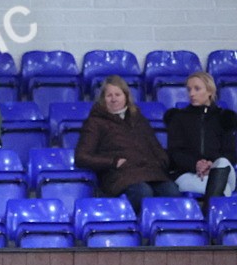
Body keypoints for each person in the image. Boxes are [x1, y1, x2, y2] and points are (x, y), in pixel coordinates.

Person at [75, 75, 178, 214]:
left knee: (172, 192)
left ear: (126, 96)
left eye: (117, 94)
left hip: (150, 172)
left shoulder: (138, 118)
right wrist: (113, 162)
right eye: (109, 95)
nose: (113, 99)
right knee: (143, 192)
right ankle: (137, 228)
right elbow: (81, 157)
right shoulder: (95, 122)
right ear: (103, 99)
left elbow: (155, 146)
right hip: (119, 175)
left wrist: (161, 162)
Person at [164, 71, 237, 212]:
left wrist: (211, 164)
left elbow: (231, 153)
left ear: (210, 91)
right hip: (189, 174)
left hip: (221, 171)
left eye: (197, 89)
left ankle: (207, 213)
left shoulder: (224, 118)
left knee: (221, 165)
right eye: (189, 89)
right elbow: (175, 153)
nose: (191, 94)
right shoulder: (179, 118)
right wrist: (196, 164)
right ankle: (211, 215)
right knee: (221, 188)